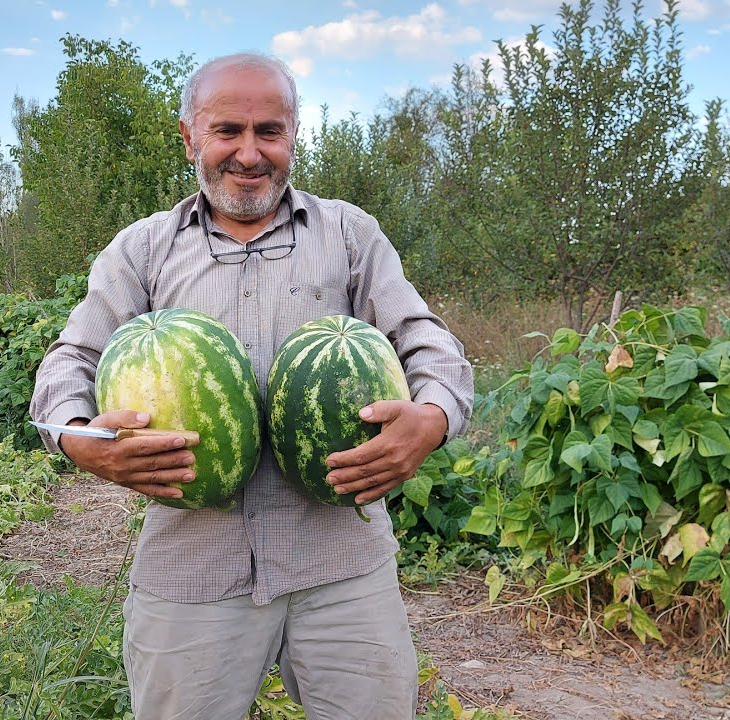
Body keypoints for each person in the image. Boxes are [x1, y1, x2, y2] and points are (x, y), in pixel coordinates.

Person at [30, 52, 474, 719]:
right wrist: (76, 438)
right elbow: (72, 358)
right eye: (227, 131)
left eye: (269, 131)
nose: (248, 153)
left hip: (342, 562)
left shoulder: (349, 234)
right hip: (193, 563)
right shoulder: (143, 249)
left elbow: (425, 338)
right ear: (189, 136)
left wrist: (433, 417)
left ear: (293, 135)